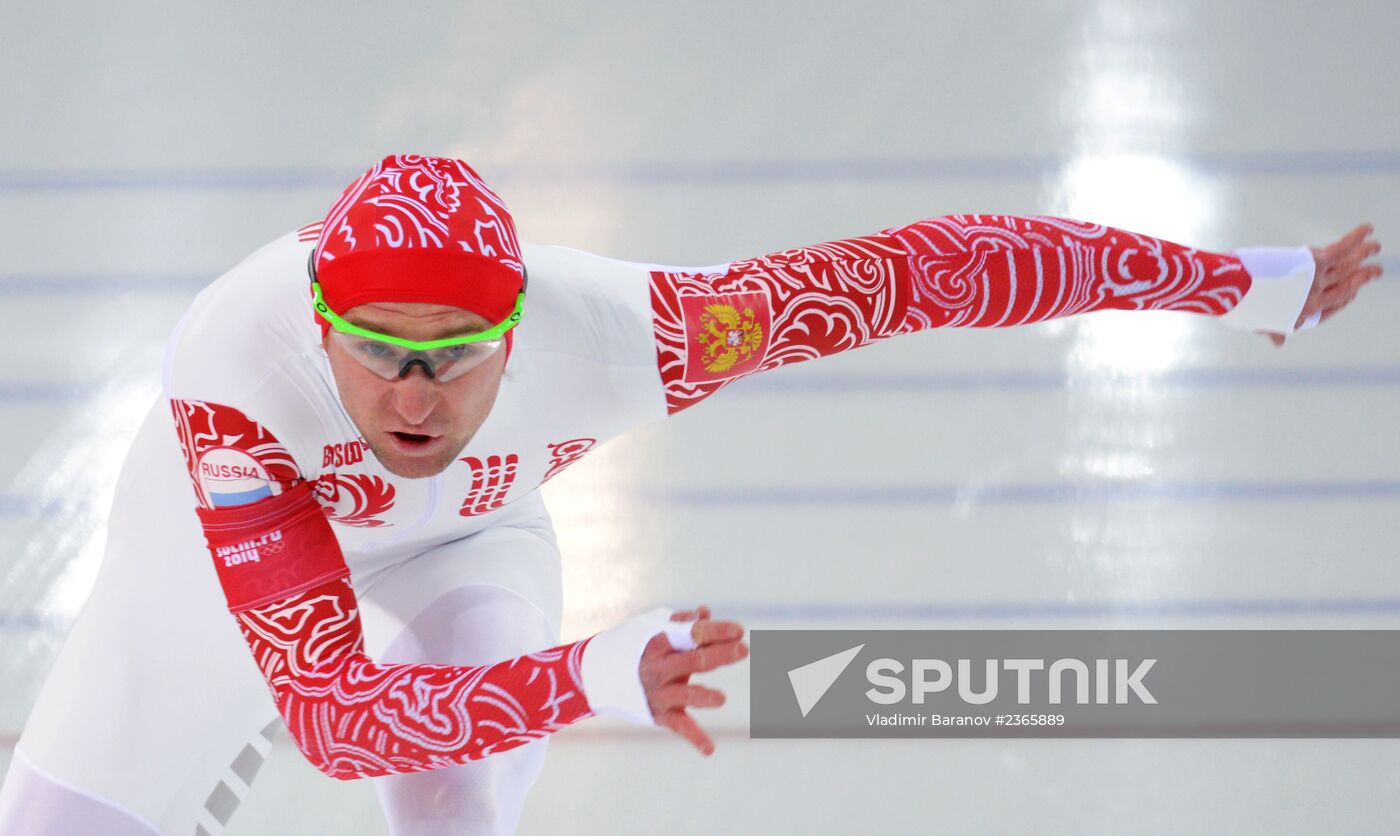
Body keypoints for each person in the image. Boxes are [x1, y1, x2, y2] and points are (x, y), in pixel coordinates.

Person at [0, 154, 1382, 836]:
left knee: (456, 813)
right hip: (202, 574)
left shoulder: (637, 331)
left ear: (521, 333)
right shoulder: (236, 377)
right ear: (316, 324)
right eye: (374, 357)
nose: (411, 399)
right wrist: (596, 674)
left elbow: (935, 271)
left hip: (464, 542)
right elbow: (340, 719)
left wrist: (1238, 282)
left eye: (454, 360)